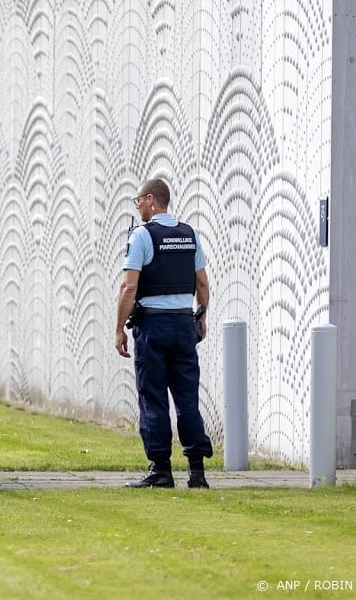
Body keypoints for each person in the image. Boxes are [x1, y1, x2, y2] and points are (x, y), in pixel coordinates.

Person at [115, 178, 212, 488]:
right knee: (187, 399)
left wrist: (119, 328)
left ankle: (161, 470)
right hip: (184, 325)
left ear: (152, 200)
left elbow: (129, 286)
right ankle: (197, 472)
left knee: (153, 397)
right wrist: (202, 316)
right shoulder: (190, 234)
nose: (138, 206)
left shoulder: (142, 236)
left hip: (153, 327)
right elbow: (202, 283)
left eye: (138, 201)